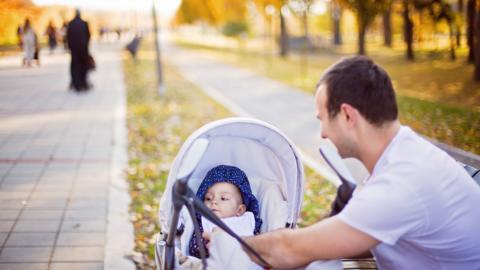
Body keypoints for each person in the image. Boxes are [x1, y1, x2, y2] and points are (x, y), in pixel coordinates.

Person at [241, 56, 480, 269]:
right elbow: (355, 242)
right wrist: (337, 223)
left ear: (347, 116)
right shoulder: (406, 154)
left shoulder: (401, 182)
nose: (323, 133)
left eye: (323, 120)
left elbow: (288, 250)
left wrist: (230, 242)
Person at [188, 165, 262, 258]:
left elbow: (258, 245)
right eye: (208, 198)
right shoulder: (204, 223)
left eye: (223, 198)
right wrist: (208, 244)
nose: (214, 201)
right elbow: (194, 249)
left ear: (240, 210)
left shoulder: (246, 221)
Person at [67, 9, 91, 91]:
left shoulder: (71, 24)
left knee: (75, 66)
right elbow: (88, 36)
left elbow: (68, 37)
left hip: (74, 50)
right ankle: (83, 83)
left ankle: (76, 84)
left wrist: (70, 47)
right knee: (83, 66)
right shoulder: (84, 24)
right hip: (83, 49)